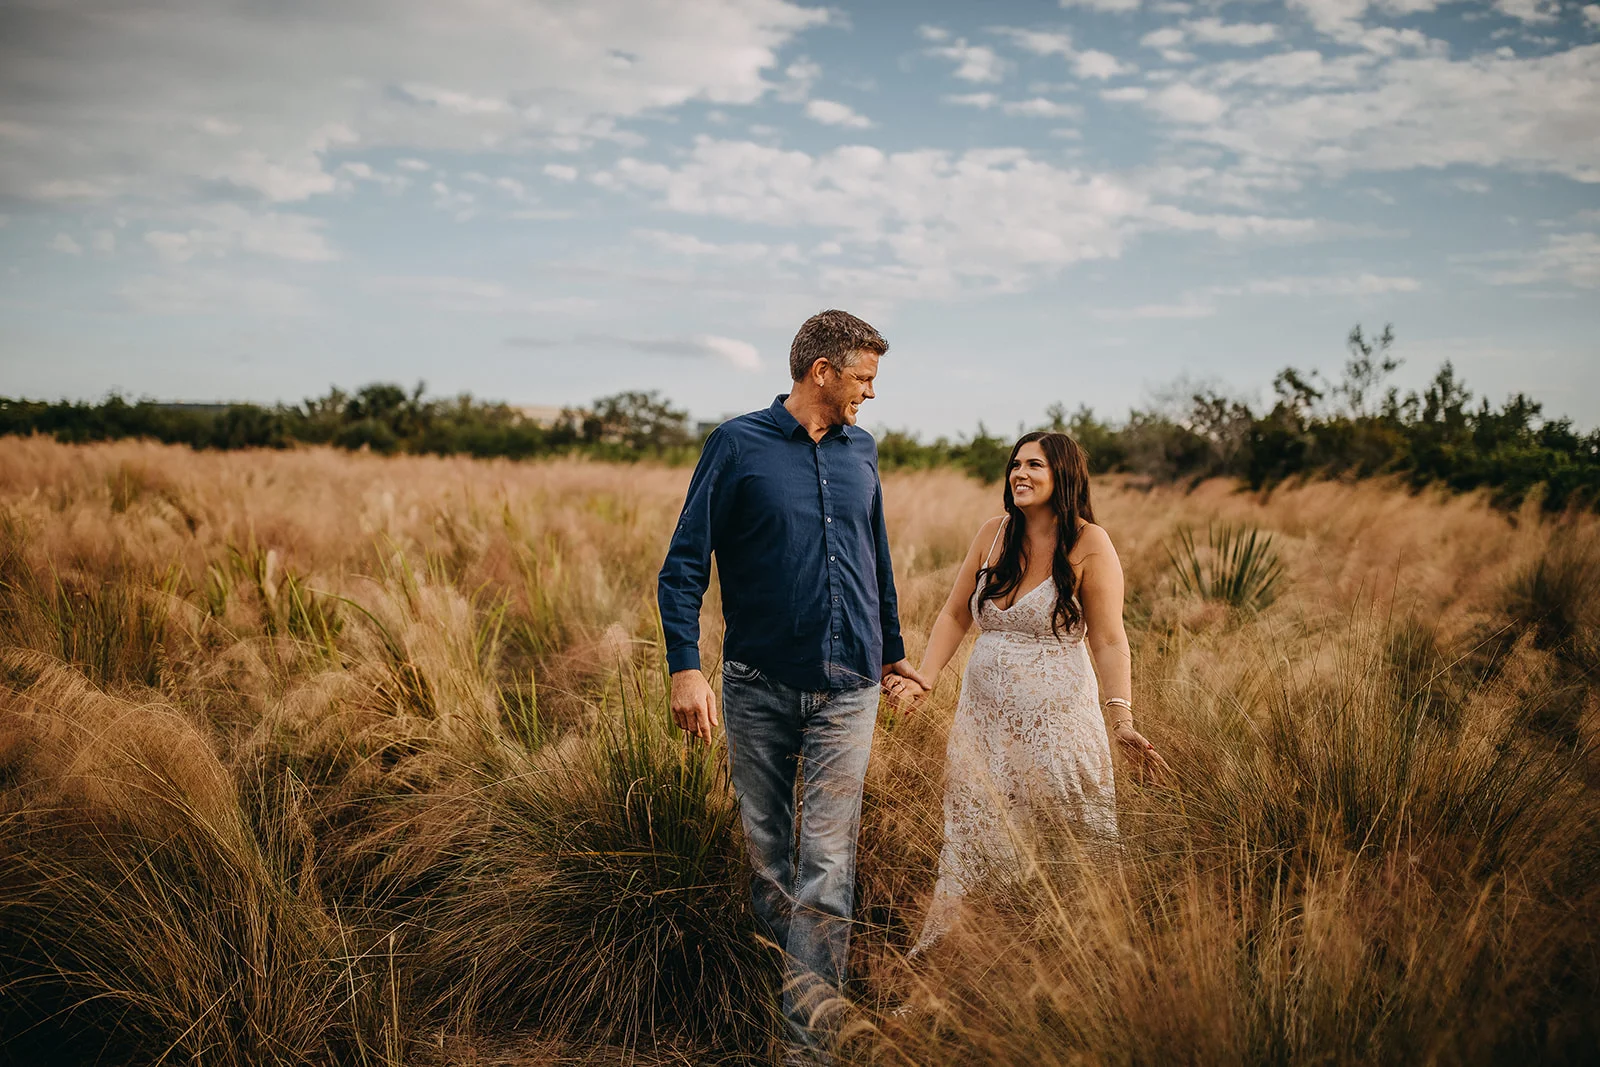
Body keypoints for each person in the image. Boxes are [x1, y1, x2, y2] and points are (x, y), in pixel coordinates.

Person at [657, 309, 927, 1063]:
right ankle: (786, 982)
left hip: (848, 690)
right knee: (771, 864)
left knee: (827, 866)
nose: (871, 394)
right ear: (822, 372)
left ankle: (806, 1046)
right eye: (864, 378)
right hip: (758, 686)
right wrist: (685, 664)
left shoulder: (862, 452)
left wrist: (892, 649)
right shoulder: (737, 445)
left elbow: (876, 560)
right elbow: (684, 564)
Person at [889, 431, 1170, 953]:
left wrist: (1122, 719)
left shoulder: (1090, 542)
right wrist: (926, 677)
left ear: (1063, 475)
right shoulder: (993, 534)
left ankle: (1076, 957)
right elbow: (954, 613)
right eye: (1015, 465)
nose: (1019, 473)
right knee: (977, 834)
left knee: (1066, 837)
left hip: (1059, 726)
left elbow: (1109, 639)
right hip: (983, 724)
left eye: (1034, 465)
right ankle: (968, 954)